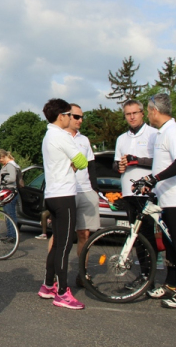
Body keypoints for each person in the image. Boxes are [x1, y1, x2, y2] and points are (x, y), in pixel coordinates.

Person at [139, 93, 176, 309]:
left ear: (155, 110)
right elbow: (162, 164)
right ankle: (171, 285)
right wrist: (153, 185)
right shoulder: (162, 133)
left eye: (147, 110)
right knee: (171, 245)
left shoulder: (174, 132)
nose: (147, 114)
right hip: (167, 197)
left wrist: (154, 178)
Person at [36, 98, 88, 310]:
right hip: (65, 195)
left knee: (57, 243)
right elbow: (83, 162)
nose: (71, 118)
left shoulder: (49, 135)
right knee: (65, 245)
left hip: (52, 194)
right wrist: (74, 166)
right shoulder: (63, 136)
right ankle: (62, 292)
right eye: (69, 114)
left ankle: (49, 284)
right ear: (61, 116)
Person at [113, 99, 158, 287]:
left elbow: (159, 161)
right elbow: (115, 165)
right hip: (128, 192)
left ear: (142, 113)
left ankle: (153, 278)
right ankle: (145, 274)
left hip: (147, 192)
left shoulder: (154, 134)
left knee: (149, 236)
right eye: (128, 114)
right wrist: (121, 165)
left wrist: (136, 160)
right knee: (136, 236)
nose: (131, 117)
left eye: (135, 113)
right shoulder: (121, 139)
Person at [66, 104, 100, 288]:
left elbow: (91, 166)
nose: (80, 120)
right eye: (76, 117)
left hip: (85, 190)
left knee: (84, 235)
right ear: (67, 116)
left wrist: (94, 189)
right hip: (66, 191)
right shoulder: (58, 137)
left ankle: (82, 273)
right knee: (59, 235)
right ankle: (54, 275)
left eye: (82, 117)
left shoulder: (84, 140)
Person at [0, 149, 20, 243]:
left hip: (9, 191)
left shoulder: (10, 165)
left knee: (10, 214)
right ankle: (10, 234)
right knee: (9, 213)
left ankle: (13, 235)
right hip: (9, 191)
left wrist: (0, 181)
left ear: (3, 156)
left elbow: (12, 178)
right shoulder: (11, 164)